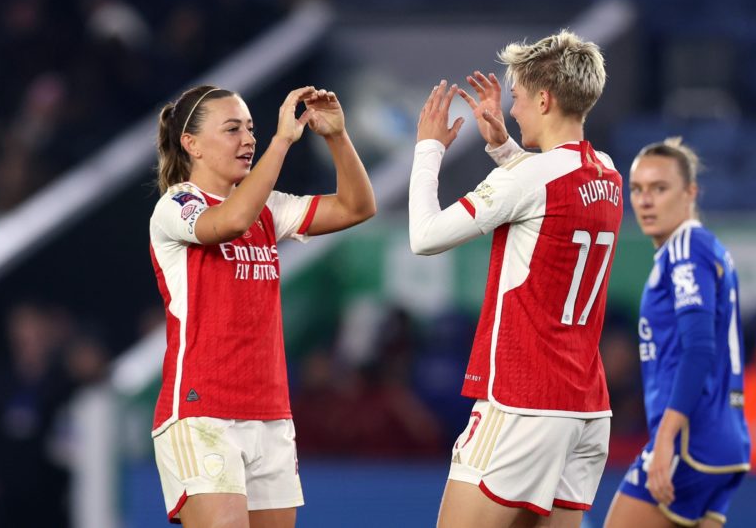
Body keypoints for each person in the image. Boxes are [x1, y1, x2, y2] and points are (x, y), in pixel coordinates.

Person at [409, 30, 622, 528]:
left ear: (545, 99)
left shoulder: (526, 180)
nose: (515, 110)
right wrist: (504, 147)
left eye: (520, 99)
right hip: (585, 409)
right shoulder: (608, 174)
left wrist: (426, 151)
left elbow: (424, 236)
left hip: (522, 402)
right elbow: (547, 194)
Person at [149, 84, 375, 528]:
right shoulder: (176, 206)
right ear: (190, 144)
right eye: (232, 129)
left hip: (270, 414)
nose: (248, 140)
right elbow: (230, 222)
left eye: (251, 129)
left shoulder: (268, 208)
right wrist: (282, 141)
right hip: (202, 410)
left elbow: (357, 206)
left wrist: (335, 136)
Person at [604, 138, 750, 528]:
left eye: (660, 188)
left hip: (690, 440)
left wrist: (666, 438)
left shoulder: (686, 247)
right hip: (725, 441)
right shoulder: (708, 249)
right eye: (637, 189)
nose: (645, 201)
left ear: (690, 193)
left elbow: (699, 348)